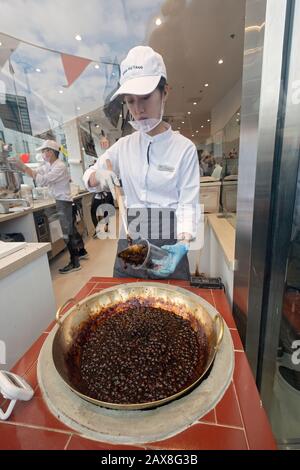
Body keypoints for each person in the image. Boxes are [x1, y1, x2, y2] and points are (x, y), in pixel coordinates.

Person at [83, 46, 200, 280]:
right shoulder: (124, 146)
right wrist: (99, 176)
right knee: (126, 306)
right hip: (131, 235)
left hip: (168, 239)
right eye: (130, 101)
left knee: (169, 306)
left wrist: (184, 243)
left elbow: (188, 204)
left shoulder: (184, 148)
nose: (138, 109)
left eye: (146, 97)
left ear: (165, 92)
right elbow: (89, 177)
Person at [18, 140, 88, 273]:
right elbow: (37, 172)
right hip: (59, 201)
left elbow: (43, 180)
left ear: (52, 152)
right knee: (71, 229)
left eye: (45, 151)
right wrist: (25, 168)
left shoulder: (60, 166)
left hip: (63, 201)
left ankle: (75, 263)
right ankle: (82, 250)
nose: (44, 154)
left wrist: (23, 167)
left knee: (67, 233)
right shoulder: (47, 165)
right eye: (43, 151)